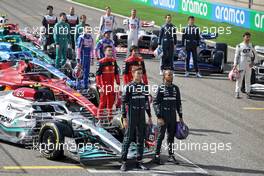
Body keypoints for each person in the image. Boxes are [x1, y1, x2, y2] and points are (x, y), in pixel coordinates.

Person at [120, 66, 152, 171]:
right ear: (133, 74)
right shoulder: (128, 87)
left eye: (141, 73)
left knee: (141, 139)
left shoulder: (144, 87)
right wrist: (124, 118)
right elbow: (123, 103)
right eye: (137, 73)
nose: (139, 75)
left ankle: (139, 161)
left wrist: (150, 116)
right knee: (128, 138)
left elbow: (147, 103)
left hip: (141, 115)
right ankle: (123, 162)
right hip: (131, 115)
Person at [153, 70, 183, 165]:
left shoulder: (175, 88)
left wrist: (181, 117)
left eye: (171, 75)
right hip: (163, 115)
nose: (171, 76)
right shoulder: (160, 88)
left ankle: (171, 155)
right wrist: (158, 116)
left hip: (172, 116)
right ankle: (156, 155)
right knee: (160, 136)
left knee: (171, 137)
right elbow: (155, 103)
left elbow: (179, 103)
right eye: (169, 75)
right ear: (164, 76)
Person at [96, 45, 120, 120]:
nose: (110, 52)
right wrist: (100, 86)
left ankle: (110, 118)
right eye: (108, 50)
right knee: (103, 102)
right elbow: (98, 75)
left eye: (111, 50)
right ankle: (99, 118)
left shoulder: (114, 61)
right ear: (105, 52)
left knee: (111, 102)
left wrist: (118, 83)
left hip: (112, 85)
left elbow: (116, 73)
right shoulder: (101, 62)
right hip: (104, 86)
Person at [233, 32, 257, 99]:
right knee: (239, 79)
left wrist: (253, 62)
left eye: (249, 37)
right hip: (241, 65)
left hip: (249, 65)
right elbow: (236, 56)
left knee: (248, 79)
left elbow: (255, 54)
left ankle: (248, 93)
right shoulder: (239, 46)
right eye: (247, 37)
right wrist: (235, 64)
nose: (248, 38)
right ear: (243, 37)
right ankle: (237, 93)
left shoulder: (251, 45)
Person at [77, 24, 94, 90]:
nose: (89, 30)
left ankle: (85, 85)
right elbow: (78, 49)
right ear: (84, 29)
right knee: (81, 71)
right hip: (82, 56)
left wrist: (92, 58)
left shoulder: (91, 38)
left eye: (89, 29)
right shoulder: (81, 37)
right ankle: (78, 85)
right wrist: (78, 59)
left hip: (88, 56)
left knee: (87, 71)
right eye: (87, 29)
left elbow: (92, 49)